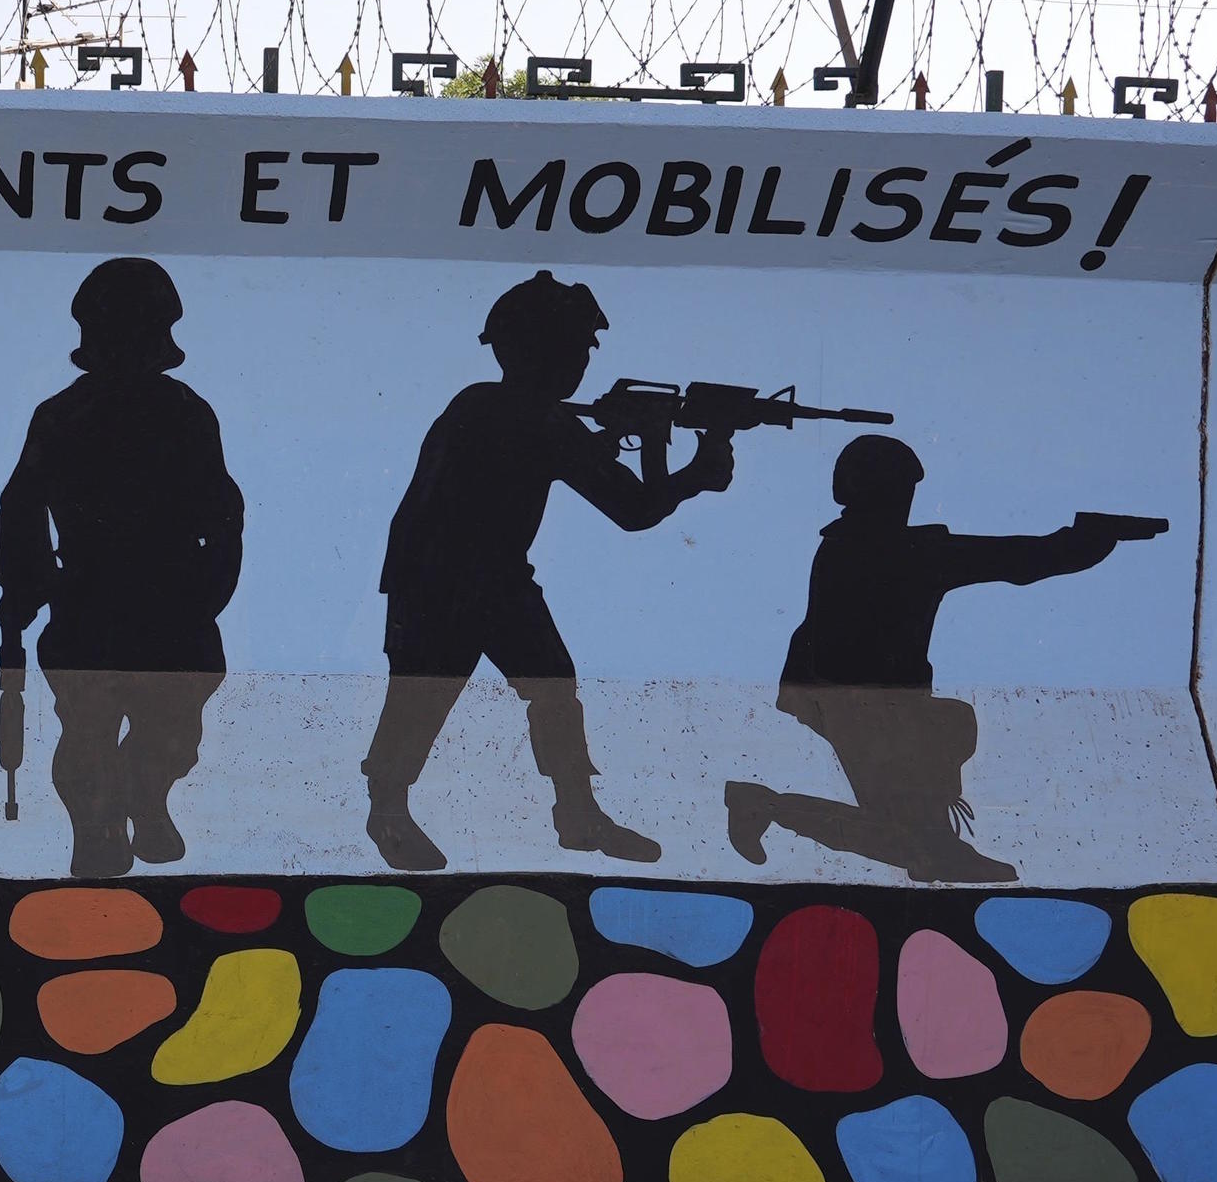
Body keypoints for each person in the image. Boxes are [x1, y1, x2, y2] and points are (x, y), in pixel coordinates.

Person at [360, 270, 732, 872]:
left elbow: (613, 491)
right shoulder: (536, 419)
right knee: (428, 695)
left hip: (473, 578)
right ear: (542, 350)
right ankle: (391, 811)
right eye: (577, 347)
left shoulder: (490, 405)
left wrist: (634, 441)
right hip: (450, 581)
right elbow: (634, 510)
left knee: (544, 686)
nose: (583, 362)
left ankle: (575, 811)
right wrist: (694, 472)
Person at [723, 434, 1149, 882]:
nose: (907, 501)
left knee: (914, 823)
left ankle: (921, 841)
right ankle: (770, 806)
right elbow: (1021, 559)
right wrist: (1087, 542)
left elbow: (1017, 559)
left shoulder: (856, 544)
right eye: (902, 489)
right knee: (917, 818)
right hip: (862, 702)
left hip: (852, 698)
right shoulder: (900, 551)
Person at [0, 258, 245, 877]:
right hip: (90, 598)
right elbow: (21, 508)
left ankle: (146, 795)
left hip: (172, 605)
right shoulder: (60, 416)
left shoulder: (187, 414)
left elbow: (223, 514)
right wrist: (21, 588)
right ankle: (96, 828)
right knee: (86, 732)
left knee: (174, 734)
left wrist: (208, 593)